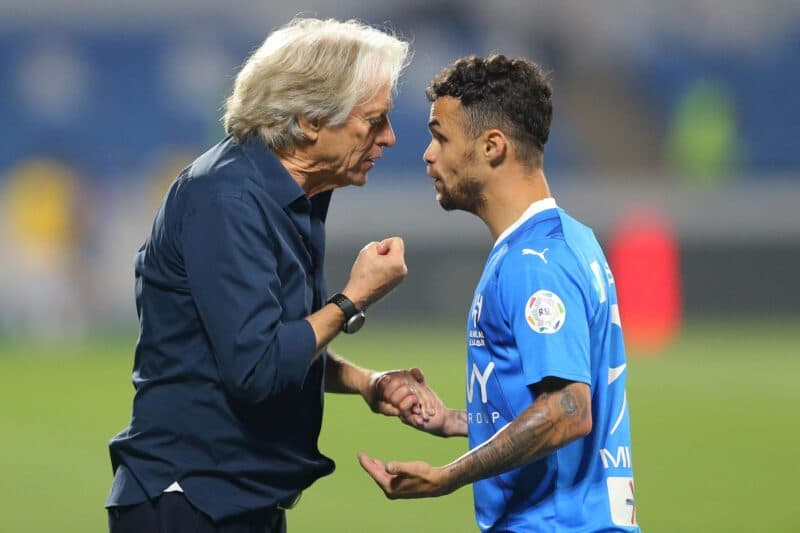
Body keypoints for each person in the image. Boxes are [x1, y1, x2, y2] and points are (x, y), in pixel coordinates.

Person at [106, 18, 430, 533]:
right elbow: (257, 369)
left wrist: (366, 383)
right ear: (308, 120)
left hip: (233, 498)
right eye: (373, 120)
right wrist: (353, 298)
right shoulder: (226, 198)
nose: (389, 138)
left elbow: (284, 342)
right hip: (191, 499)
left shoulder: (288, 194)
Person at [359, 54, 640, 532]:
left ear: (492, 146)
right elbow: (546, 400)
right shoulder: (571, 241)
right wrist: (457, 420)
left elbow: (568, 409)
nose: (428, 154)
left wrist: (447, 476)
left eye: (440, 137)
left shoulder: (535, 265)